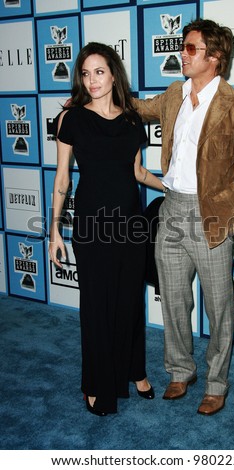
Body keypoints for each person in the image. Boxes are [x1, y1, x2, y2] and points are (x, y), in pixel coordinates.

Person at [133, 18, 234, 415]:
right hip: (171, 208)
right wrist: (97, 96)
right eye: (183, 46)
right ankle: (180, 371)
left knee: (219, 306)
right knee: (173, 299)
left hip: (210, 217)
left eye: (191, 48)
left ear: (216, 58)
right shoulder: (174, 94)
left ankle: (216, 383)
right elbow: (139, 109)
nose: (182, 54)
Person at [49, 42, 165, 416]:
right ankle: (96, 383)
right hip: (92, 224)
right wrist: (54, 231)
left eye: (99, 71)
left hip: (130, 224)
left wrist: (172, 187)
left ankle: (136, 371)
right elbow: (63, 178)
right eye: (85, 73)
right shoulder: (72, 119)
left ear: (114, 74)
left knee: (131, 300)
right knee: (98, 305)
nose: (92, 80)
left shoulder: (132, 119)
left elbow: (136, 172)